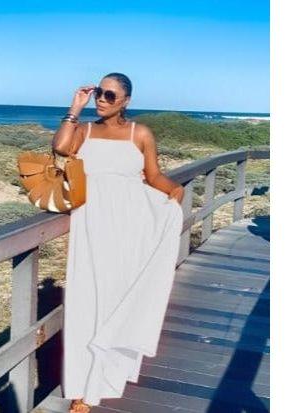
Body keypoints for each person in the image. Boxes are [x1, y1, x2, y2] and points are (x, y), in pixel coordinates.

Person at [52, 73, 184, 413]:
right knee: (85, 302)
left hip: (129, 227)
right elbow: (61, 148)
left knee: (115, 298)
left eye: (110, 95)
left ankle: (106, 375)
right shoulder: (85, 130)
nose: (101, 99)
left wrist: (174, 190)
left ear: (126, 100)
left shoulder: (140, 133)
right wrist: (74, 108)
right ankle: (82, 388)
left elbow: (153, 176)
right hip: (91, 225)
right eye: (99, 92)